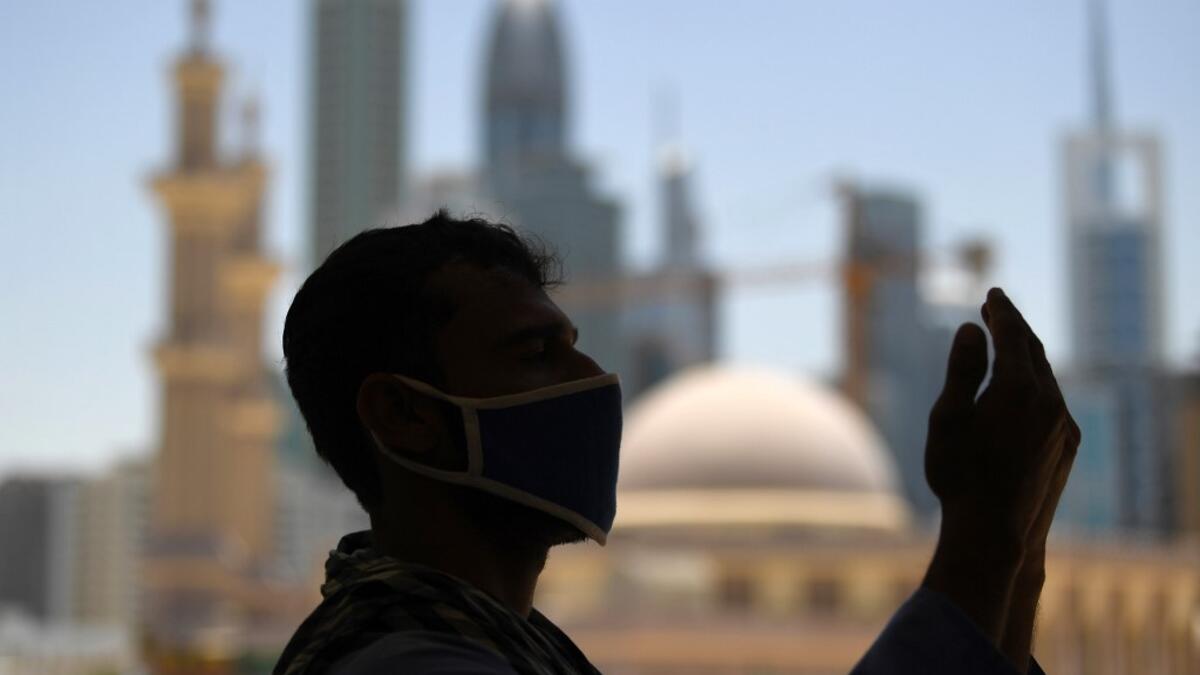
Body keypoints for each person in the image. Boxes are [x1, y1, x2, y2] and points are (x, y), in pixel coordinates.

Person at [274, 212, 1079, 675]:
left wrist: (1016, 549)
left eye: (575, 345)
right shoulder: (402, 664)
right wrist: (984, 538)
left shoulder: (507, 643)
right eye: (534, 353)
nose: (593, 378)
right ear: (405, 414)